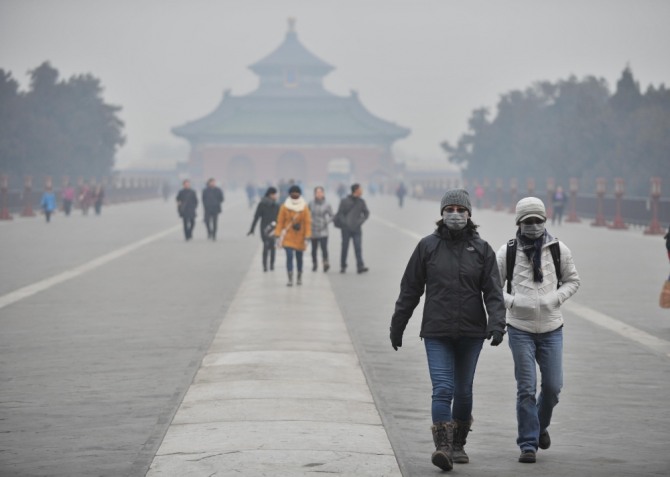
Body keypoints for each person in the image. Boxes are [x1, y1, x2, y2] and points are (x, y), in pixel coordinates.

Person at [389, 189, 506, 471]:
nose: (455, 214)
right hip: (437, 331)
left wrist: (497, 323)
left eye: (460, 209)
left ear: (469, 214)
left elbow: (493, 291)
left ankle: (458, 444)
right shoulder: (427, 247)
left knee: (463, 391)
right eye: (450, 209)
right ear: (441, 213)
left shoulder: (482, 249)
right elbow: (411, 289)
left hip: (471, 332)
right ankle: (442, 447)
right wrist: (398, 324)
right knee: (443, 388)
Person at [496, 197, 581, 464]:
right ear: (519, 223)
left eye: (538, 221)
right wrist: (512, 302)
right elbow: (492, 288)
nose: (533, 226)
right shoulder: (506, 252)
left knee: (554, 387)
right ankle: (528, 444)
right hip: (519, 328)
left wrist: (554, 298)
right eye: (528, 221)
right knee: (526, 388)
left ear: (545, 221)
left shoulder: (558, 249)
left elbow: (573, 280)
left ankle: (539, 425)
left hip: (552, 327)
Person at [275, 185, 311, 286]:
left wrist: (307, 235)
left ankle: (299, 275)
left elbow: (307, 222)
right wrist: (277, 233)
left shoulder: (304, 207)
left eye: (297, 193)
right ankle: (290, 278)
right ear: (289, 194)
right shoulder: (284, 206)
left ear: (300, 194)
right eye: (293, 193)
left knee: (299, 257)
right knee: (289, 256)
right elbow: (280, 221)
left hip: (300, 236)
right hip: (288, 236)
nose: (295, 195)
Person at [334, 183, 369, 274]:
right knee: (344, 248)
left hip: (357, 229)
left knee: (358, 248)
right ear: (356, 190)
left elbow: (366, 213)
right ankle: (343, 266)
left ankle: (360, 266)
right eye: (360, 189)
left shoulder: (361, 202)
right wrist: (345, 223)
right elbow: (340, 213)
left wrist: (360, 221)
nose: (362, 191)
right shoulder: (344, 201)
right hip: (346, 229)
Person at [248, 187, 280, 272]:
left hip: (265, 228)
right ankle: (270, 265)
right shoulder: (268, 204)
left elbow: (256, 217)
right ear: (271, 195)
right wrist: (252, 229)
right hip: (271, 228)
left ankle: (266, 266)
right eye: (275, 194)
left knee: (267, 246)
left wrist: (252, 229)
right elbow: (257, 217)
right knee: (271, 246)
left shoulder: (273, 204)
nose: (276, 196)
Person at [308, 186, 334, 272]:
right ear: (314, 194)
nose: (319, 194)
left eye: (320, 192)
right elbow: (306, 214)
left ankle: (325, 262)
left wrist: (327, 221)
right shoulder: (311, 203)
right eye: (317, 192)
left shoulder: (327, 204)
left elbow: (332, 216)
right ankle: (314, 263)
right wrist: (309, 221)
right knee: (314, 249)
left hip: (323, 229)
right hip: (313, 229)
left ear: (323, 193)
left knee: (324, 248)